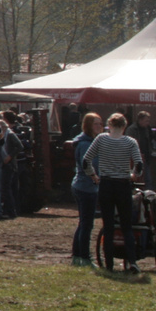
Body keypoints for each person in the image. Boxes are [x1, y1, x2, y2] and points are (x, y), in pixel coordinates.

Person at [83, 113, 144, 272]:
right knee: (126, 226)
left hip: (106, 184)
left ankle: (109, 264)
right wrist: (133, 175)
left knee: (108, 226)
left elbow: (86, 160)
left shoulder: (101, 139)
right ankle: (132, 262)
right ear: (124, 126)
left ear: (109, 125)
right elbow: (139, 164)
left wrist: (94, 176)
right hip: (123, 184)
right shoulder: (130, 142)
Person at [70, 112, 102, 267]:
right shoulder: (86, 144)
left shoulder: (88, 141)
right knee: (87, 224)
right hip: (86, 187)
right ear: (88, 125)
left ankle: (77, 255)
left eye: (101, 123)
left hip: (82, 185)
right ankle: (85, 257)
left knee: (83, 223)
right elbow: (90, 164)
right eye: (96, 124)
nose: (100, 127)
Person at [0, 113, 23, 220]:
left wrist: (10, 156)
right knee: (6, 188)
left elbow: (20, 146)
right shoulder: (1, 136)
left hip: (10, 165)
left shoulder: (10, 134)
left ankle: (11, 211)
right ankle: (8, 210)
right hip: (3, 164)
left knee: (6, 188)